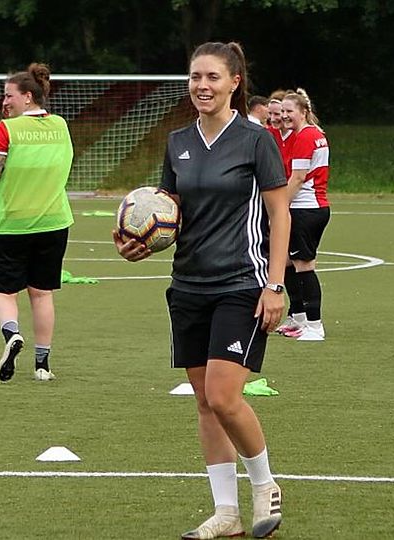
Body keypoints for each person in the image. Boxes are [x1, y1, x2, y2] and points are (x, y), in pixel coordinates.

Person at [113, 42, 288, 539]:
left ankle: (265, 486)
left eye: (212, 76)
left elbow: (280, 214)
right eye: (195, 77)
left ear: (235, 82)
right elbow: (169, 214)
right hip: (188, 286)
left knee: (224, 395)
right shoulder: (178, 142)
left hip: (241, 284)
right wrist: (140, 243)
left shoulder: (257, 141)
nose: (202, 86)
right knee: (205, 403)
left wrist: (275, 285)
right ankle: (226, 513)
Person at [0, 62, 74, 383]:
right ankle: (42, 365)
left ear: (28, 97)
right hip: (54, 223)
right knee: (42, 294)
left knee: (3, 291)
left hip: (11, 225)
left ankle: (12, 334)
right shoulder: (61, 126)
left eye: (9, 95)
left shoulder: (7, 129)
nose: (4, 102)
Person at [274, 89, 331, 341]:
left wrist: (278, 208)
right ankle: (298, 319)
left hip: (305, 208)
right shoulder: (312, 134)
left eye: (289, 111)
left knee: (303, 265)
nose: (285, 116)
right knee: (287, 262)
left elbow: (297, 179)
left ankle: (315, 326)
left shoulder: (306, 137)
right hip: (311, 207)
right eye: (282, 111)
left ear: (303, 112)